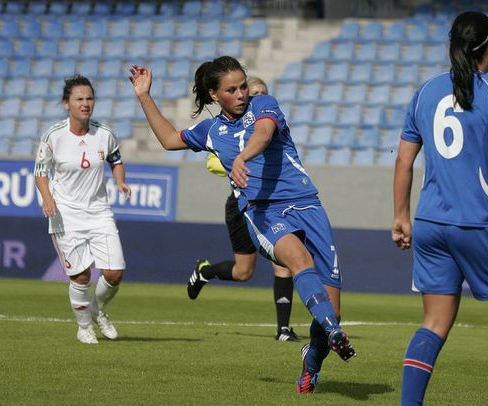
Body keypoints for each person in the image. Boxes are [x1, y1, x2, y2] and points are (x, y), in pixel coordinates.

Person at [128, 56, 356, 394]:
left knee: (331, 310)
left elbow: (263, 134)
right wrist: (144, 95)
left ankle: (312, 361)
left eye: (243, 86)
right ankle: (333, 332)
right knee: (299, 261)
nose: (240, 94)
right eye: (231, 90)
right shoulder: (211, 130)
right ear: (214, 94)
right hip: (263, 212)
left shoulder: (264, 104)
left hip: (307, 204)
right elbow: (169, 139)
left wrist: (241, 157)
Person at [392, 12, 488, 406]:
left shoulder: (426, 92)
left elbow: (404, 160)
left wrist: (401, 217)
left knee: (434, 323)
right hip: (478, 221)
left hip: (430, 222)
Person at [190, 75, 299, 342]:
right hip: (242, 204)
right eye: (254, 93)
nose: (258, 98)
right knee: (243, 272)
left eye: (263, 93)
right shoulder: (231, 132)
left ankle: (283, 329)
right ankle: (205, 271)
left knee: (283, 262)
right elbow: (213, 162)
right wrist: (236, 163)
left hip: (273, 202)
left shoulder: (271, 126)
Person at [34, 75, 131, 345]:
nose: (85, 104)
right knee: (81, 275)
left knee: (114, 272)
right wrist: (46, 197)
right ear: (67, 103)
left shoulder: (104, 134)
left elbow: (116, 160)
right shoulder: (53, 136)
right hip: (65, 214)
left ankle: (97, 310)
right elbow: (40, 172)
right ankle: (84, 327)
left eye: (89, 98)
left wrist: (120, 181)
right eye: (79, 99)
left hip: (99, 212)